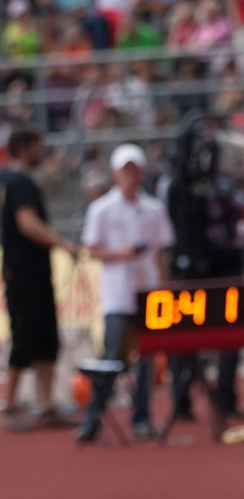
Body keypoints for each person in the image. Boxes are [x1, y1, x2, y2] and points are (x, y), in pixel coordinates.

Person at [76, 144, 175, 444]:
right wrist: (122, 253)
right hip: (117, 293)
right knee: (111, 356)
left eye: (134, 169)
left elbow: (160, 254)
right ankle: (93, 418)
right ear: (116, 173)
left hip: (148, 292)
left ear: (141, 172)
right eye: (125, 170)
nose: (130, 175)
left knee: (146, 359)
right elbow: (91, 249)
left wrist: (166, 290)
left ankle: (141, 418)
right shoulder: (102, 209)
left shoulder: (154, 209)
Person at [0, 128, 79, 428]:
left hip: (33, 272)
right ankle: (10, 404)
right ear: (23, 148)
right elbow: (28, 223)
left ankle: (45, 405)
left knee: (45, 336)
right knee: (25, 334)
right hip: (24, 274)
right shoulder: (19, 182)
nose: (40, 151)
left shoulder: (18, 181)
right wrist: (64, 243)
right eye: (36, 146)